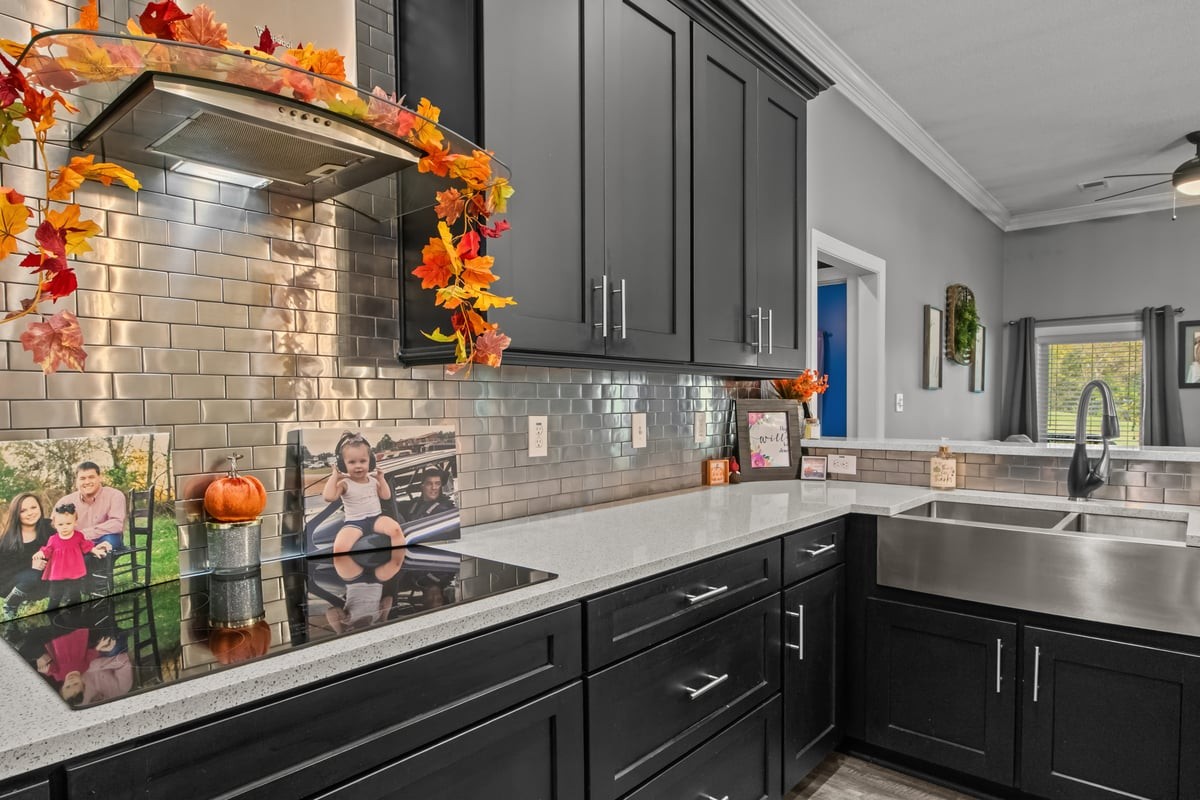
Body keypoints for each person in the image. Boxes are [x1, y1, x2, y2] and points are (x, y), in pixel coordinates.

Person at [322, 432, 406, 553]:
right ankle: (352, 572)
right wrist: (334, 476)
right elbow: (328, 497)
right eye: (352, 462)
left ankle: (397, 562)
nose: (358, 466)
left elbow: (386, 496)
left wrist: (381, 479)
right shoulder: (345, 484)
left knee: (395, 529)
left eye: (363, 461)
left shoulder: (373, 481)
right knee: (340, 548)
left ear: (370, 462)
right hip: (354, 523)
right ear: (343, 465)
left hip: (376, 519)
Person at [39, 503, 112, 609]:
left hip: (74, 572)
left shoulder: (78, 536)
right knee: (55, 595)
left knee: (75, 594)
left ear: (75, 523)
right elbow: (48, 550)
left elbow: (86, 546)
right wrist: (41, 553)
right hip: (58, 573)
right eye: (60, 524)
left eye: (68, 523)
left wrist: (95, 550)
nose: (64, 527)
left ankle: (76, 613)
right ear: (55, 524)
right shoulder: (53, 539)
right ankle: (52, 612)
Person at [0, 493, 53, 616]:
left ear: (40, 507)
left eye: (33, 507)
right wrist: (31, 564)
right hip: (13, 582)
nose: (30, 513)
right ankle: (11, 604)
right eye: (23, 510)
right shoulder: (8, 540)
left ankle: (29, 599)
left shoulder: (49, 526)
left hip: (44, 576)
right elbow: (4, 572)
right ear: (16, 514)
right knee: (33, 575)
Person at [58, 462, 126, 550]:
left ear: (100, 478)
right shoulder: (65, 501)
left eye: (91, 477)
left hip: (105, 538)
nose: (87, 482)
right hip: (77, 542)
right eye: (82, 478)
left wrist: (84, 534)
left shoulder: (114, 495)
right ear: (77, 481)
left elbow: (117, 524)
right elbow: (54, 524)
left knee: (109, 541)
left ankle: (98, 560)